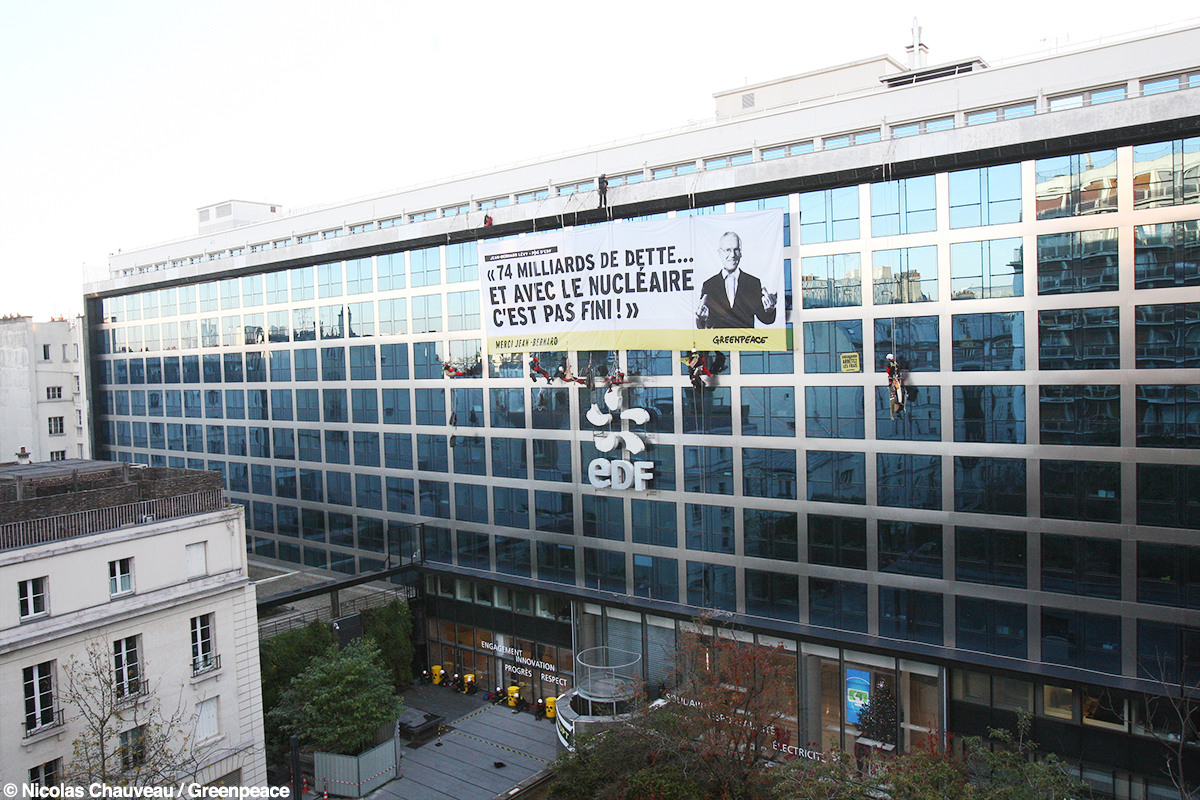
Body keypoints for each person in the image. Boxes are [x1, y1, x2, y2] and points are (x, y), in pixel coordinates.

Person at [695, 232, 777, 329]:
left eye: (736, 250)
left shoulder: (753, 283)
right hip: (720, 342)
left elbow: (766, 319)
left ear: (740, 253)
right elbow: (706, 325)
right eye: (728, 250)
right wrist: (701, 319)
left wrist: (770, 310)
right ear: (720, 253)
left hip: (745, 342)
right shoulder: (709, 285)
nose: (732, 255)